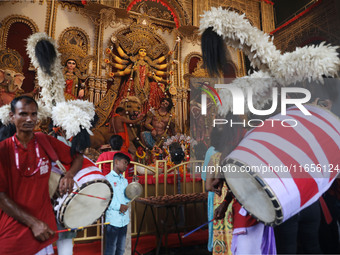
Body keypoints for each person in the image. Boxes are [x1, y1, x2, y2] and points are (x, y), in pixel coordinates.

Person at [0, 95, 83, 255]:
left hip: (43, 232)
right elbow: (1, 197)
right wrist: (33, 223)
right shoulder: (3, 150)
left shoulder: (45, 141)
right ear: (12, 116)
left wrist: (69, 175)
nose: (29, 119)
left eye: (33, 114)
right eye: (23, 114)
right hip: (12, 232)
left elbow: (78, 157)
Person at [104, 152, 131, 255]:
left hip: (124, 220)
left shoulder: (124, 181)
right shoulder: (107, 179)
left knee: (121, 250)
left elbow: (127, 198)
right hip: (113, 220)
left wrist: (133, 187)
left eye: (127, 164)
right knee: (111, 249)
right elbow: (105, 199)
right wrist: (119, 206)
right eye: (125, 163)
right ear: (116, 162)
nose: (126, 166)